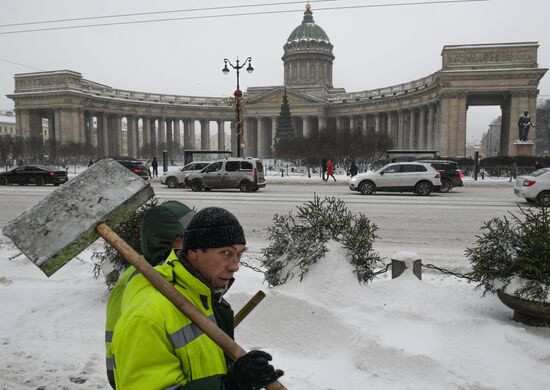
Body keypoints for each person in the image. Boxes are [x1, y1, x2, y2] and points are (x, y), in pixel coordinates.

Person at [111, 207, 284, 390]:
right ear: (193, 251)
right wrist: (230, 385)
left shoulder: (204, 296)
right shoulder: (147, 317)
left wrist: (239, 373)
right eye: (226, 253)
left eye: (239, 254)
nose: (235, 266)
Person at [104, 201, 195, 389]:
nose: (195, 244)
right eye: (186, 237)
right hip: (129, 370)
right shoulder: (136, 282)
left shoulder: (174, 272)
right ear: (164, 241)